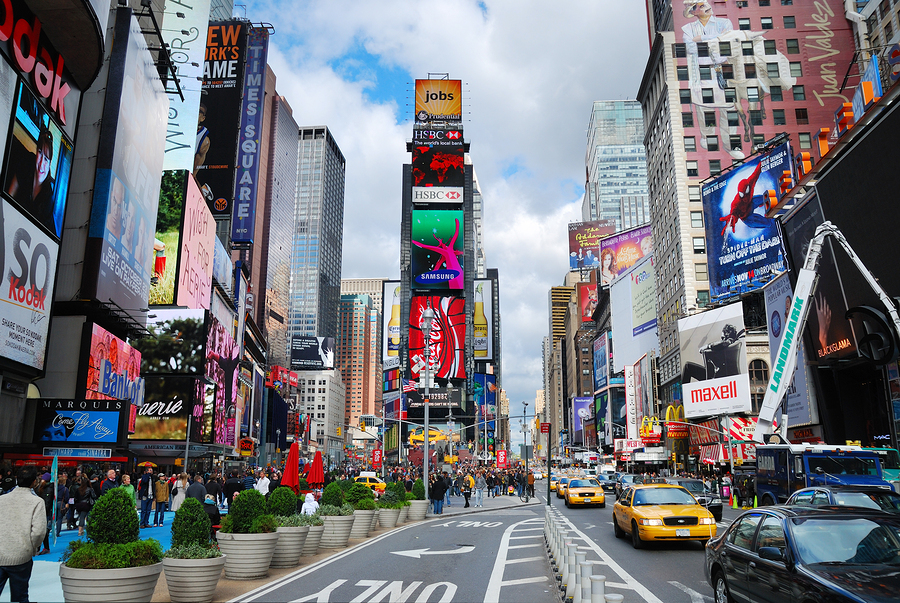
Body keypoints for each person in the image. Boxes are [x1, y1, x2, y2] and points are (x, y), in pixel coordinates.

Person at [0, 467, 46, 602]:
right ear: (34, 482)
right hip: (21, 554)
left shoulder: (2, 499)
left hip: (1, 551)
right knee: (20, 596)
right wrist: (32, 547)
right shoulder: (37, 502)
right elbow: (38, 532)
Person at [35, 473, 54, 555]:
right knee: (41, 529)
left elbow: (47, 501)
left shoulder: (47, 488)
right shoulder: (42, 487)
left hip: (43, 511)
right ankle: (41, 547)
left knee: (41, 530)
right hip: (42, 510)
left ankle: (42, 548)